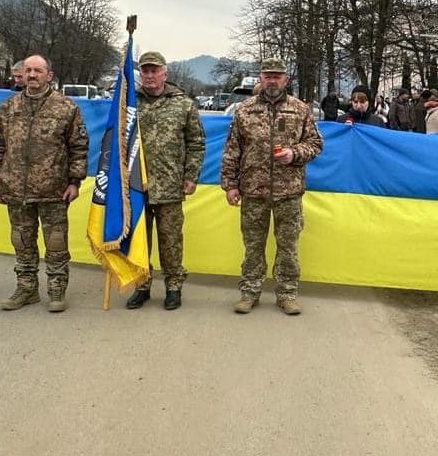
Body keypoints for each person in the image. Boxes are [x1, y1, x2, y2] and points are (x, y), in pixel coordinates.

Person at [221, 58, 323, 315]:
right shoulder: (244, 110)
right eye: (268, 75)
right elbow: (232, 150)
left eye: (277, 76)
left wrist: (294, 153)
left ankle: (287, 294)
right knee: (253, 245)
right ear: (260, 78)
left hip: (288, 192)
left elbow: (315, 144)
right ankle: (249, 293)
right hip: (253, 191)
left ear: (286, 80)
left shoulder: (300, 110)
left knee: (288, 246)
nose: (272, 80)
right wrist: (230, 185)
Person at [0, 54, 88, 313]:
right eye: (27, 71)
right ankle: (26, 288)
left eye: (37, 71)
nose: (31, 75)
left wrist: (74, 181)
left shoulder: (66, 108)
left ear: (49, 75)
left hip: (53, 190)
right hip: (16, 189)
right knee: (22, 241)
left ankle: (56, 290)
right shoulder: (9, 107)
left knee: (56, 243)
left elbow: (78, 147)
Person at [125, 52, 206, 310]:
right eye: (145, 71)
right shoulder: (128, 104)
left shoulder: (184, 104)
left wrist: (191, 176)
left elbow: (196, 142)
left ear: (164, 74)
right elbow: (116, 140)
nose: (149, 75)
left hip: (170, 185)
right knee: (139, 239)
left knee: (171, 240)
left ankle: (173, 286)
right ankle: (142, 285)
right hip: (136, 186)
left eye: (154, 70)